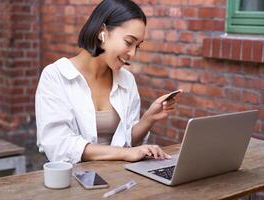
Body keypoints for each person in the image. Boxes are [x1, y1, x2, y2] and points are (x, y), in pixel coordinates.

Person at [35, 0, 181, 164]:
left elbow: (128, 144)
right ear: (101, 31)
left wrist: (149, 118)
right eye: (128, 42)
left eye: (137, 46)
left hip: (117, 176)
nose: (132, 53)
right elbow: (58, 145)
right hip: (72, 180)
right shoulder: (56, 76)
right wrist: (124, 154)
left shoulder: (126, 80)